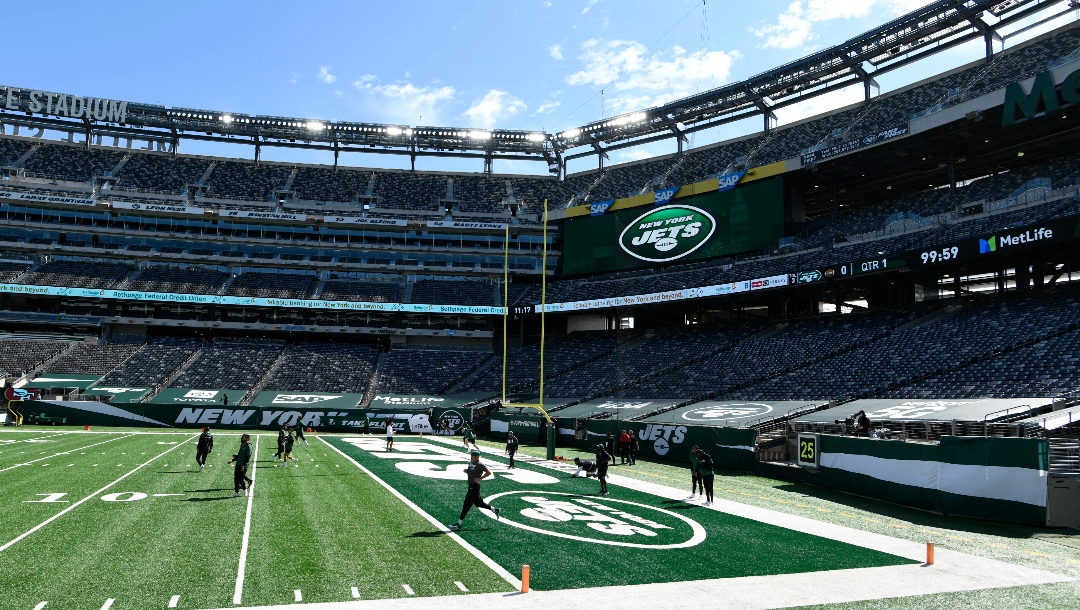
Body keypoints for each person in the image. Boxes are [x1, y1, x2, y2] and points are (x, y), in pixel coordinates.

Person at [448, 449, 501, 530]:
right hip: (471, 486)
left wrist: (480, 478)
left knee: (467, 505)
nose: (471, 456)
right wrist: (467, 471)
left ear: (477, 457)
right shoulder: (471, 462)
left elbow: (489, 472)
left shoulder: (480, 464)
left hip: (474, 487)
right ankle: (494, 510)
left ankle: (459, 524)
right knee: (478, 503)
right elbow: (471, 471)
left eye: (472, 455)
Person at [227, 433, 253, 497]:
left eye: (244, 437)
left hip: (243, 465)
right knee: (236, 479)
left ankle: (245, 490)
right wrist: (232, 460)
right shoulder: (242, 445)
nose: (242, 438)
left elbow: (247, 457)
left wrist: (243, 465)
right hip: (238, 463)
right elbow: (239, 455)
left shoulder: (248, 446)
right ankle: (236, 492)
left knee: (241, 479)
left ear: (247, 438)